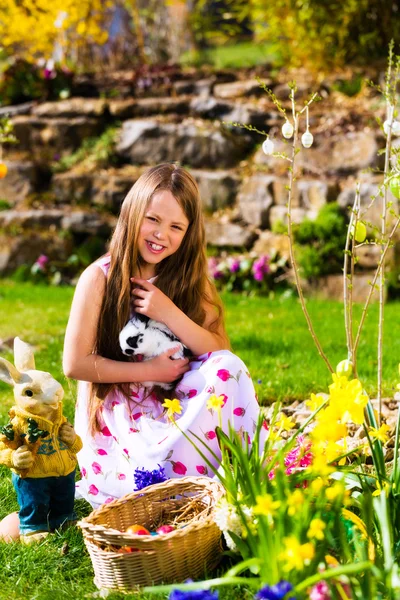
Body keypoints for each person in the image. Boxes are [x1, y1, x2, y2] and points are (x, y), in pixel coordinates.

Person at [0, 164, 261, 539]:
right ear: (132, 214)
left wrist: (167, 311)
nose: (161, 234)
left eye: (176, 227)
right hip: (121, 409)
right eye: (152, 219)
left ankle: (198, 487)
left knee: (228, 367)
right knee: (148, 467)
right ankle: (165, 492)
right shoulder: (100, 278)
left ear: (188, 234)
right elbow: (74, 363)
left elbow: (217, 348)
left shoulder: (187, 279)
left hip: (175, 401)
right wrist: (150, 371)